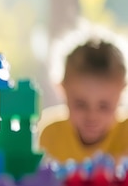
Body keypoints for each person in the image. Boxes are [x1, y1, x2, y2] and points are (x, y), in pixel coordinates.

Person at [39, 29, 128, 163]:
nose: (92, 117)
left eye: (104, 106)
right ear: (62, 89)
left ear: (122, 92)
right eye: (80, 104)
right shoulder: (51, 135)